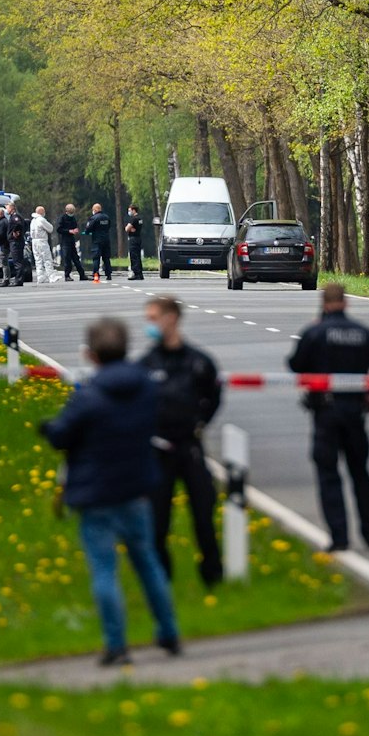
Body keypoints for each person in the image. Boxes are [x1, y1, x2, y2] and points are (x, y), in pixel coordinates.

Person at [41, 318, 181, 666]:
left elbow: (62, 435)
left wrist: (48, 428)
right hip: (136, 487)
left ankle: (117, 644)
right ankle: (168, 631)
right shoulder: (146, 387)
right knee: (147, 563)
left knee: (104, 570)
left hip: (96, 493)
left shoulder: (88, 396)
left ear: (90, 354)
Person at [287, 283, 369, 552]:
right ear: (345, 302)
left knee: (328, 474)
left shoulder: (315, 332)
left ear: (324, 303)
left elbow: (296, 364)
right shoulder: (364, 333)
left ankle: (339, 536)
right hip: (355, 412)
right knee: (360, 472)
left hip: (326, 413)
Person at [139, 295, 224, 587]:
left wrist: (199, 422)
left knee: (203, 513)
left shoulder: (198, 362)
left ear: (171, 318)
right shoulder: (146, 364)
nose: (149, 325)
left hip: (189, 448)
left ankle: (213, 576)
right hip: (157, 451)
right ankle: (162, 580)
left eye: (153, 318)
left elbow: (213, 397)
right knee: (157, 520)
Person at [56, 203, 87, 282]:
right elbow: (59, 229)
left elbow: (75, 226)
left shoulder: (73, 218)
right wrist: (69, 231)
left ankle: (82, 274)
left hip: (72, 240)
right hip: (65, 240)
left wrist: (75, 230)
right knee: (67, 258)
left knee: (76, 258)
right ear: (67, 211)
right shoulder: (62, 218)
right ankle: (67, 275)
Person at [84, 203, 114, 281]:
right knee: (106, 258)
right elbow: (109, 226)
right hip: (106, 240)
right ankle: (108, 274)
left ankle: (96, 273)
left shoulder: (94, 218)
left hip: (97, 240)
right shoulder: (106, 217)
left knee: (96, 258)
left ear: (95, 210)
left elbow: (88, 228)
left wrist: (87, 232)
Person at [29, 205, 56, 284]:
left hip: (34, 241)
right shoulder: (41, 219)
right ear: (42, 212)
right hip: (42, 241)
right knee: (47, 258)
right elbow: (50, 228)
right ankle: (51, 276)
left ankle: (40, 276)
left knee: (38, 259)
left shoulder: (33, 220)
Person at [123, 203, 146, 280]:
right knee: (138, 256)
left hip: (133, 239)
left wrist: (128, 228)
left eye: (130, 210)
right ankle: (140, 273)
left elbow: (127, 229)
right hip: (138, 238)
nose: (129, 212)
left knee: (134, 256)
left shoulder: (134, 219)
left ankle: (136, 273)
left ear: (133, 210)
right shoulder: (140, 218)